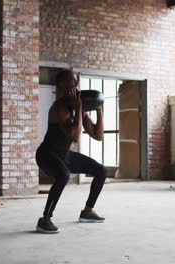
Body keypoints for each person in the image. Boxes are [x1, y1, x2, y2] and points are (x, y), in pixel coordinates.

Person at [35, 69, 107, 234]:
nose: (74, 85)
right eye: (69, 82)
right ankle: (45, 219)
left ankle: (87, 212)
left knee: (101, 171)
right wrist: (79, 107)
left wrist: (98, 109)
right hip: (47, 154)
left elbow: (98, 135)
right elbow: (75, 137)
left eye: (76, 82)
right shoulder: (59, 107)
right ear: (60, 87)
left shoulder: (79, 109)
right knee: (64, 175)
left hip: (63, 155)